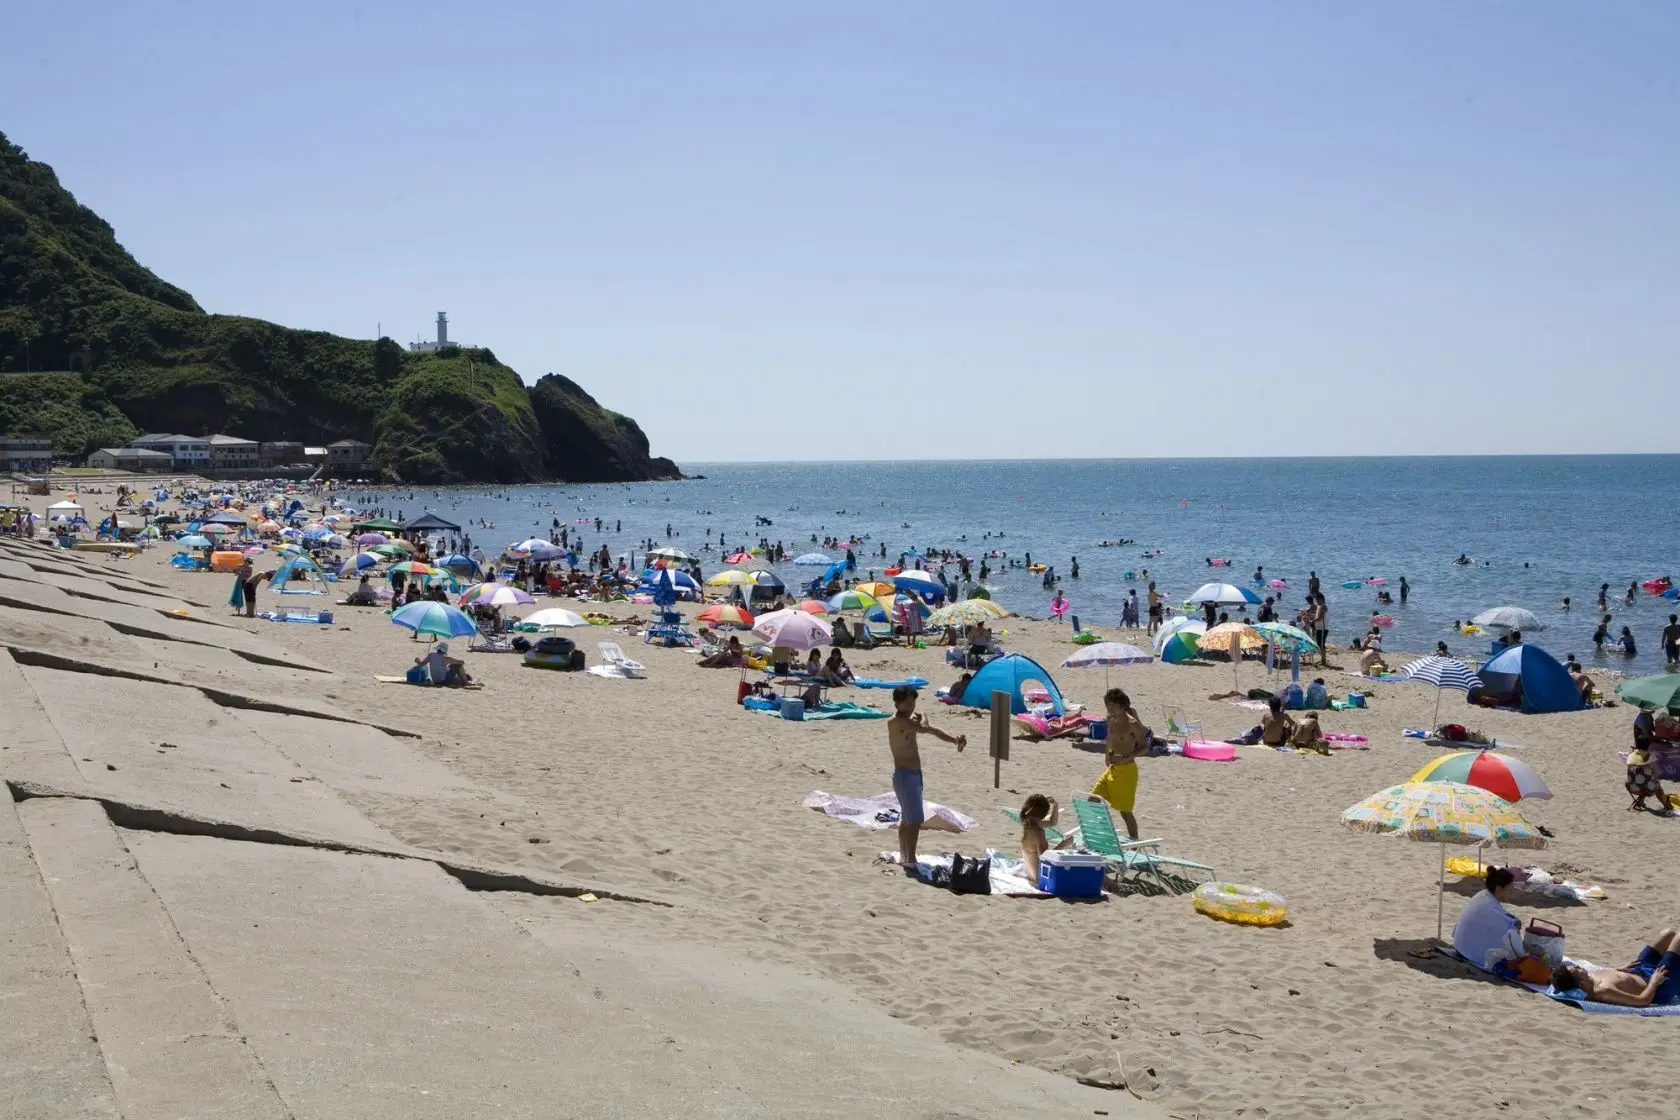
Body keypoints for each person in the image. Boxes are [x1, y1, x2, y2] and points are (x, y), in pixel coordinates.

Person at [886, 686, 966, 869]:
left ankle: (905, 856)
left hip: (912, 775)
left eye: (913, 701)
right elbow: (925, 728)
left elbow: (932, 731)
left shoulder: (908, 721)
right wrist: (924, 717)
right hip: (905, 776)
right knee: (913, 821)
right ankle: (910, 859)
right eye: (906, 702)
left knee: (907, 819)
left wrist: (954, 740)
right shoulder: (896, 722)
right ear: (897, 703)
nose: (911, 705)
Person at [1551, 932, 1680, 1007]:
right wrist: (1654, 982)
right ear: (1581, 984)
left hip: (1638, 969)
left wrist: (1616, 970)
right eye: (1577, 969)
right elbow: (1642, 1001)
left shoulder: (1588, 978)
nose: (1579, 966)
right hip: (1659, 985)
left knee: (1667, 934)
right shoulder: (1603, 991)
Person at [1090, 688, 1145, 839]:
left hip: (1127, 771)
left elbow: (1145, 747)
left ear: (1121, 706)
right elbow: (1109, 737)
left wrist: (1126, 757)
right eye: (1107, 707)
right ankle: (1104, 833)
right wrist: (1107, 754)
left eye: (1113, 707)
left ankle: (1134, 841)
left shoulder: (1132, 723)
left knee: (1125, 812)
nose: (1110, 711)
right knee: (1093, 799)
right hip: (1112, 768)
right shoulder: (1110, 718)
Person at [1452, 867, 1525, 972]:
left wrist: (1513, 921)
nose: (1512, 893)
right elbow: (1507, 931)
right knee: (1513, 951)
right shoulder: (1487, 904)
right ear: (1499, 889)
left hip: (1459, 946)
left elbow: (1499, 914)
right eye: (1510, 890)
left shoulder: (1483, 896)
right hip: (1468, 953)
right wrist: (1515, 925)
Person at [1018, 794, 1069, 883]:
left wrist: (1055, 805)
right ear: (1044, 813)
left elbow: (1052, 822)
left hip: (1031, 874)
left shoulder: (1027, 823)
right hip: (1040, 878)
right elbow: (1045, 859)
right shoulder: (1039, 833)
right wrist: (1063, 844)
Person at [1626, 740, 1670, 813]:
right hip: (1645, 790)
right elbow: (1656, 774)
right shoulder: (1650, 758)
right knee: (1656, 784)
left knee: (1643, 779)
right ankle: (1666, 806)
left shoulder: (1631, 756)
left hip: (1631, 787)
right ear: (1648, 747)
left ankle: (1641, 802)